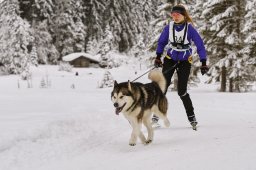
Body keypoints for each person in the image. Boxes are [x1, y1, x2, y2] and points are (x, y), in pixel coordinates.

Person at [152, 4, 209, 130]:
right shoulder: (169, 27)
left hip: (185, 61)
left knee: (182, 91)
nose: (175, 17)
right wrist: (158, 56)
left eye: (177, 14)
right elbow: (161, 42)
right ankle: (155, 117)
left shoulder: (190, 29)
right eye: (173, 15)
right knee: (162, 88)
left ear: (183, 15)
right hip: (170, 59)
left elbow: (200, 45)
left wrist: (203, 62)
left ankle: (192, 117)